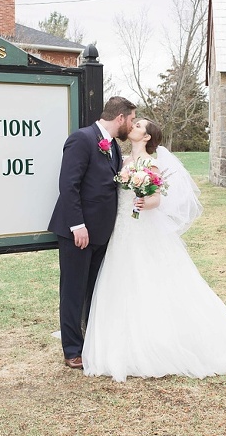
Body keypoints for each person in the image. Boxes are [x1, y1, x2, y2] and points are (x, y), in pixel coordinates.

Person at [82, 118, 226, 381]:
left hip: (141, 229)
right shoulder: (122, 160)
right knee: (122, 279)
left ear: (147, 137)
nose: (134, 127)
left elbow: (156, 199)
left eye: (139, 126)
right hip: (122, 229)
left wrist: (143, 203)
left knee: (148, 278)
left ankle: (157, 340)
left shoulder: (151, 163)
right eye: (135, 123)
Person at [48, 96, 137, 369]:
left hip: (102, 233)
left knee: (93, 290)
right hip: (79, 232)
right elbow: (69, 185)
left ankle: (91, 343)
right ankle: (72, 349)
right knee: (73, 291)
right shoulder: (81, 139)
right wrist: (78, 225)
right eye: (131, 119)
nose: (132, 125)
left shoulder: (113, 146)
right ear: (120, 118)